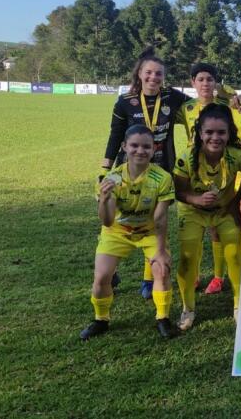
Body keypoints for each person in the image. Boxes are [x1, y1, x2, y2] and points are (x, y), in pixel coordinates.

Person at [100, 47, 188, 299]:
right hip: (128, 170)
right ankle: (111, 266)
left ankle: (149, 279)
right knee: (118, 218)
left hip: (161, 170)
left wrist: (229, 97)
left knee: (154, 223)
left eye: (158, 74)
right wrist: (105, 170)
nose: (153, 78)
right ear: (139, 74)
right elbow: (115, 136)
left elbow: (199, 106)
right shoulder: (124, 102)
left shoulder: (172, 97)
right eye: (149, 72)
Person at [80, 125, 176, 340]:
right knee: (102, 277)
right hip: (117, 232)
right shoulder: (111, 179)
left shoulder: (163, 178)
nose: (140, 151)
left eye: (146, 147)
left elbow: (160, 219)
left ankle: (163, 318)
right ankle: (100, 320)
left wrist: (160, 251)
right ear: (124, 147)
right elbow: (106, 221)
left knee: (161, 269)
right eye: (134, 145)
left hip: (148, 231)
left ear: (154, 149)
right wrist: (104, 200)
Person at [172, 104, 241, 330]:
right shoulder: (186, 157)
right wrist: (196, 200)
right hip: (193, 211)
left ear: (229, 133)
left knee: (234, 254)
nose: (215, 137)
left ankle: (239, 306)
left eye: (221, 132)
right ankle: (188, 308)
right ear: (199, 133)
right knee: (188, 258)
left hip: (223, 211)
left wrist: (232, 204)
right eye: (209, 132)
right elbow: (178, 191)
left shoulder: (237, 157)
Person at [175, 63, 229, 295]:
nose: (206, 83)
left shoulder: (225, 106)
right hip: (192, 169)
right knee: (193, 226)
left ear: (216, 83)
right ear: (193, 83)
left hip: (218, 168)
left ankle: (218, 277)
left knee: (216, 227)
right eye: (201, 79)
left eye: (210, 79)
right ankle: (194, 276)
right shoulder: (184, 108)